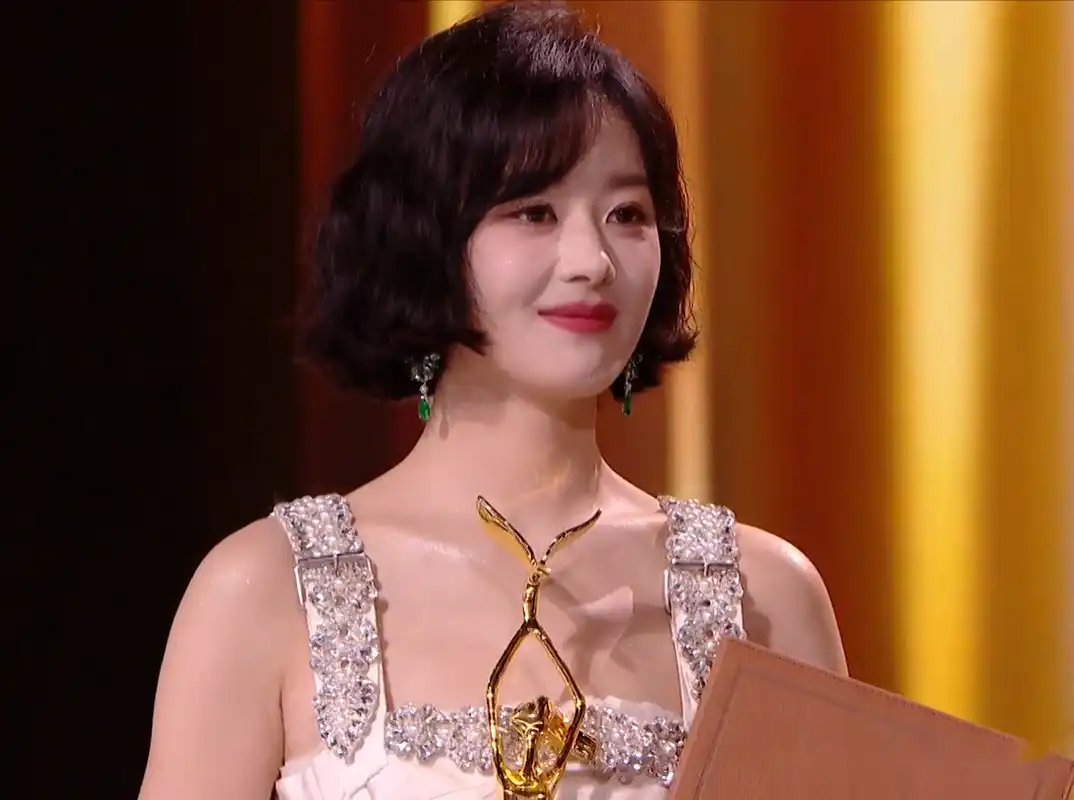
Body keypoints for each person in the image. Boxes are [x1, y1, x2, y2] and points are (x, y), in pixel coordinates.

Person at [138, 3, 847, 798]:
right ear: (423, 237)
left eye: (627, 214)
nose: (591, 260)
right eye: (533, 212)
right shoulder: (263, 590)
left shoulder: (766, 598)